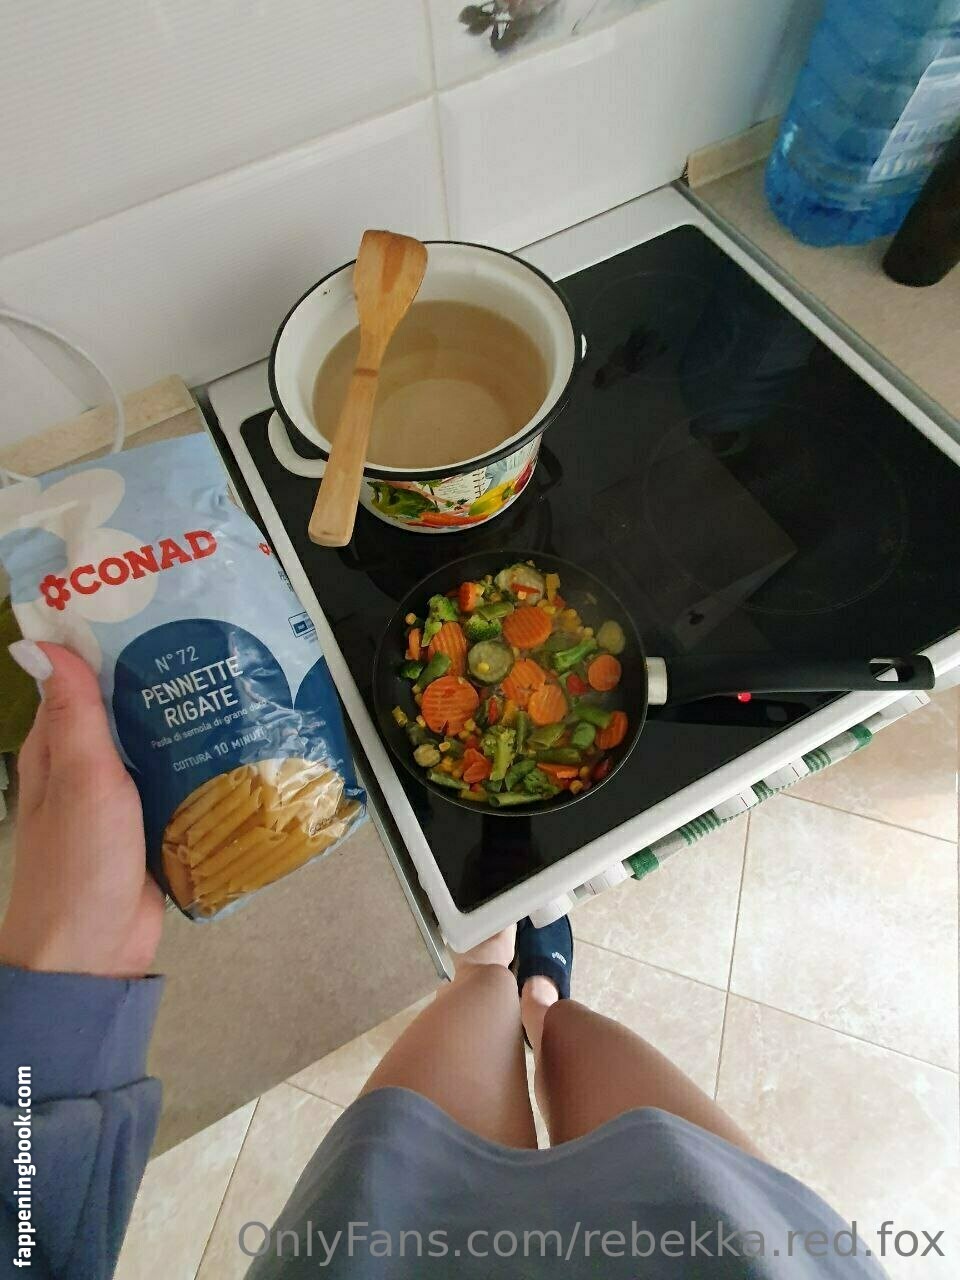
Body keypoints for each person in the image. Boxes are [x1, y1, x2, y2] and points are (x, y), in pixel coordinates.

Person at [0, 642, 885, 1278]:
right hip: (713, 1254)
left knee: (474, 1006)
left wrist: (70, 971)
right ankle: (543, 995)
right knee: (600, 1068)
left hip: (399, 1251)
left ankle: (491, 964)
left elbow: (29, 1228)